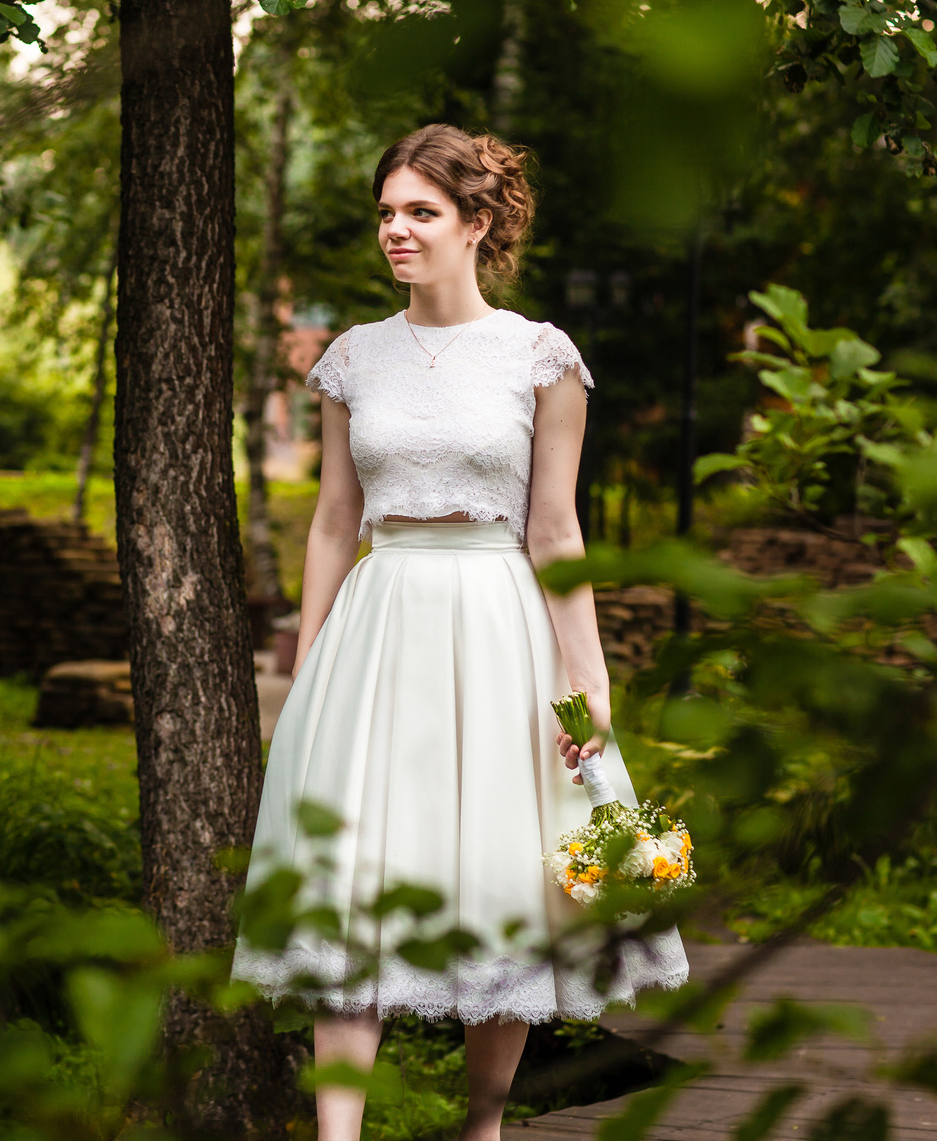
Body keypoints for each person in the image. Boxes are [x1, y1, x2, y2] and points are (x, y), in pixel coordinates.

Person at [229, 126, 687, 1140]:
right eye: (387, 211)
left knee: (498, 868)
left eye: (419, 212)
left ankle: (481, 1128)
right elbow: (332, 522)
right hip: (379, 627)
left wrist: (589, 684)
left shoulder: (538, 356)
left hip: (497, 627)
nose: (396, 229)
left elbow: (555, 530)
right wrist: (304, 664)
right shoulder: (353, 356)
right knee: (353, 875)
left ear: (476, 224)